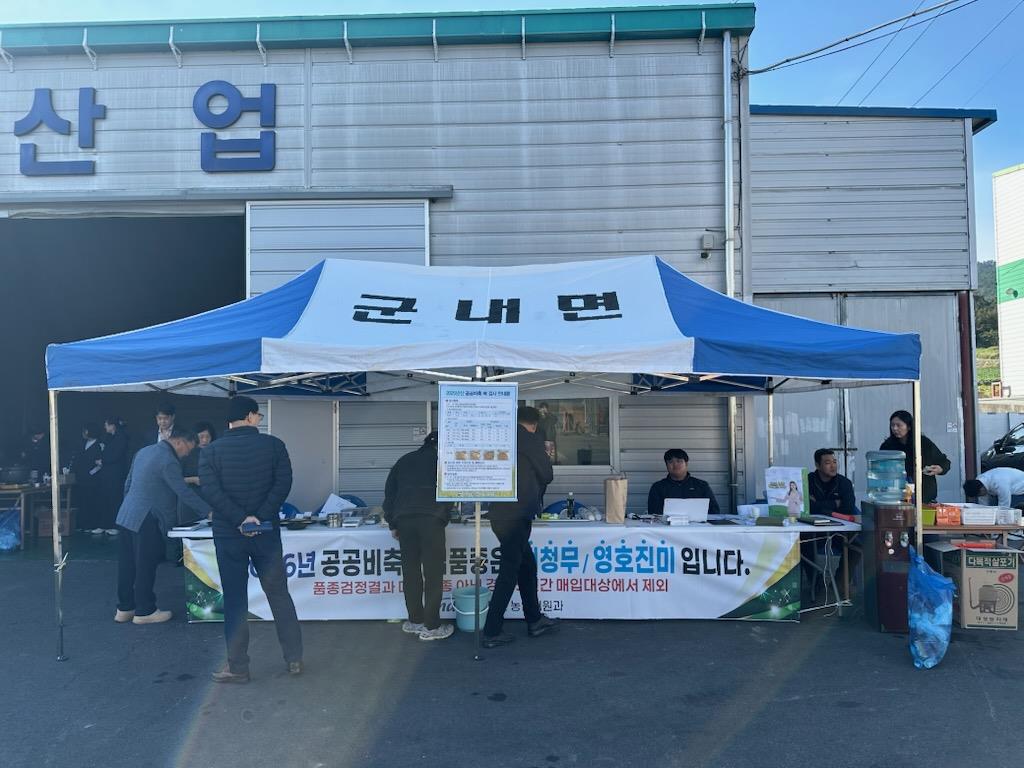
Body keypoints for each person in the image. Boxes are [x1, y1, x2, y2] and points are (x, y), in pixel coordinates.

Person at [199, 396, 302, 683]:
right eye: (258, 415)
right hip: (266, 533)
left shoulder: (211, 452)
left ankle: (238, 667)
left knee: (235, 600)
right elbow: (283, 483)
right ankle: (294, 658)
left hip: (228, 533)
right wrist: (260, 517)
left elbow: (211, 491)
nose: (259, 419)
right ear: (249, 416)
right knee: (278, 593)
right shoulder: (274, 446)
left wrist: (240, 519)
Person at [114, 430, 212, 625]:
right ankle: (145, 611)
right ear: (179, 442)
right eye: (188, 449)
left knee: (127, 565)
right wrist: (208, 512)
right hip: (146, 519)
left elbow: (128, 483)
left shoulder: (143, 452)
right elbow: (182, 491)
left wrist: (130, 504)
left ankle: (124, 608)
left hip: (126, 514)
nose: (186, 454)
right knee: (145, 565)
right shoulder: (168, 460)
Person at [481, 406, 558, 648]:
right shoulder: (529, 440)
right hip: (517, 513)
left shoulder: (499, 439)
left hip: (499, 512)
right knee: (509, 571)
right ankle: (492, 631)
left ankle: (534, 619)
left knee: (527, 565)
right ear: (534, 424)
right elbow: (546, 475)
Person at [382, 431, 453, 641]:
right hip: (431, 520)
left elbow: (389, 494)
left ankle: (415, 620)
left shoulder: (404, 460)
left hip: (404, 521)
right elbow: (450, 493)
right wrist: (445, 515)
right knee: (433, 573)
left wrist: (393, 523)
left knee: (410, 571)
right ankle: (432, 626)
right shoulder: (443, 462)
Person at [879, 410, 950, 504]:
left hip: (924, 495)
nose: (895, 428)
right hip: (897, 496)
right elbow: (881, 469)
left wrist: (940, 469)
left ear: (909, 427)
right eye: (892, 425)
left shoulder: (923, 443)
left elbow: (944, 462)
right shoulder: (887, 446)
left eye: (899, 425)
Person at [647, 449, 720, 516]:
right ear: (666, 465)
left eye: (679, 461)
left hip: (698, 525)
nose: (675, 464)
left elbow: (714, 511)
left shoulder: (702, 485)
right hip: (667, 525)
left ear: (686, 464)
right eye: (670, 462)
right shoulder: (657, 487)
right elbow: (653, 512)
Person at [72, 422, 105, 534]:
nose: (84, 433)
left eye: (86, 431)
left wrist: (91, 473)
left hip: (93, 479)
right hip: (81, 478)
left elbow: (101, 462)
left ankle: (92, 524)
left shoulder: (99, 445)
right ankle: (83, 524)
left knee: (92, 501)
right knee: (82, 501)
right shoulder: (83, 444)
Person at [100, 417, 130, 535]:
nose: (105, 427)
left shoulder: (121, 437)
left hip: (116, 473)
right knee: (106, 498)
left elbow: (117, 454)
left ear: (113, 426)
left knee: (115, 498)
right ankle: (106, 524)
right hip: (108, 473)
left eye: (106, 425)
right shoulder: (109, 437)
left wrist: (103, 460)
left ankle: (116, 526)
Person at [807, 449, 856, 516]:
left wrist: (818, 504)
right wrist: (835, 503)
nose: (833, 466)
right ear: (817, 465)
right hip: (813, 520)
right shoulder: (808, 481)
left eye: (834, 462)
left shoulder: (845, 483)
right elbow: (807, 507)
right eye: (828, 463)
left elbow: (848, 509)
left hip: (839, 521)